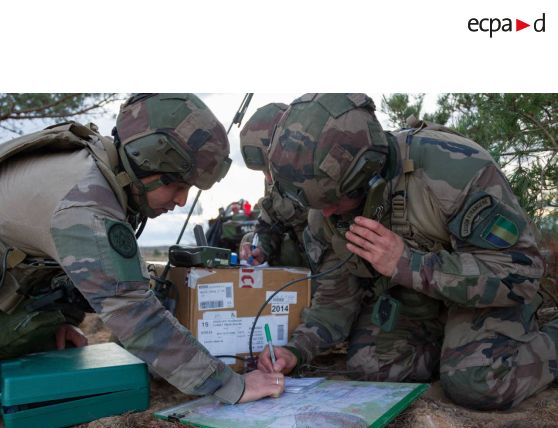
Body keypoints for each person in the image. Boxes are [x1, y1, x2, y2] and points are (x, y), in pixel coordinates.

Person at [258, 93, 558, 410]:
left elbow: (520, 273)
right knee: (372, 366)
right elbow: (336, 297)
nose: (327, 213)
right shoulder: (324, 207)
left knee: (478, 382)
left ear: (368, 174)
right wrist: (296, 350)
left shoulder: (453, 169)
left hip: (488, 296)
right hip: (423, 303)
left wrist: (408, 264)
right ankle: (456, 349)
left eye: (334, 201)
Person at [0, 93, 284, 403]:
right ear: (144, 160)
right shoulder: (84, 201)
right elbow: (132, 310)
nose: (181, 201)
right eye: (176, 185)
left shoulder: (96, 169)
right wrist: (231, 384)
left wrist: (57, 322)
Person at [239, 102, 309, 267]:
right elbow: (270, 222)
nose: (269, 179)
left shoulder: (314, 176)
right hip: (305, 263)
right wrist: (261, 250)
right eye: (264, 172)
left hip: (331, 265)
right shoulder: (273, 180)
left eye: (271, 170)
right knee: (249, 240)